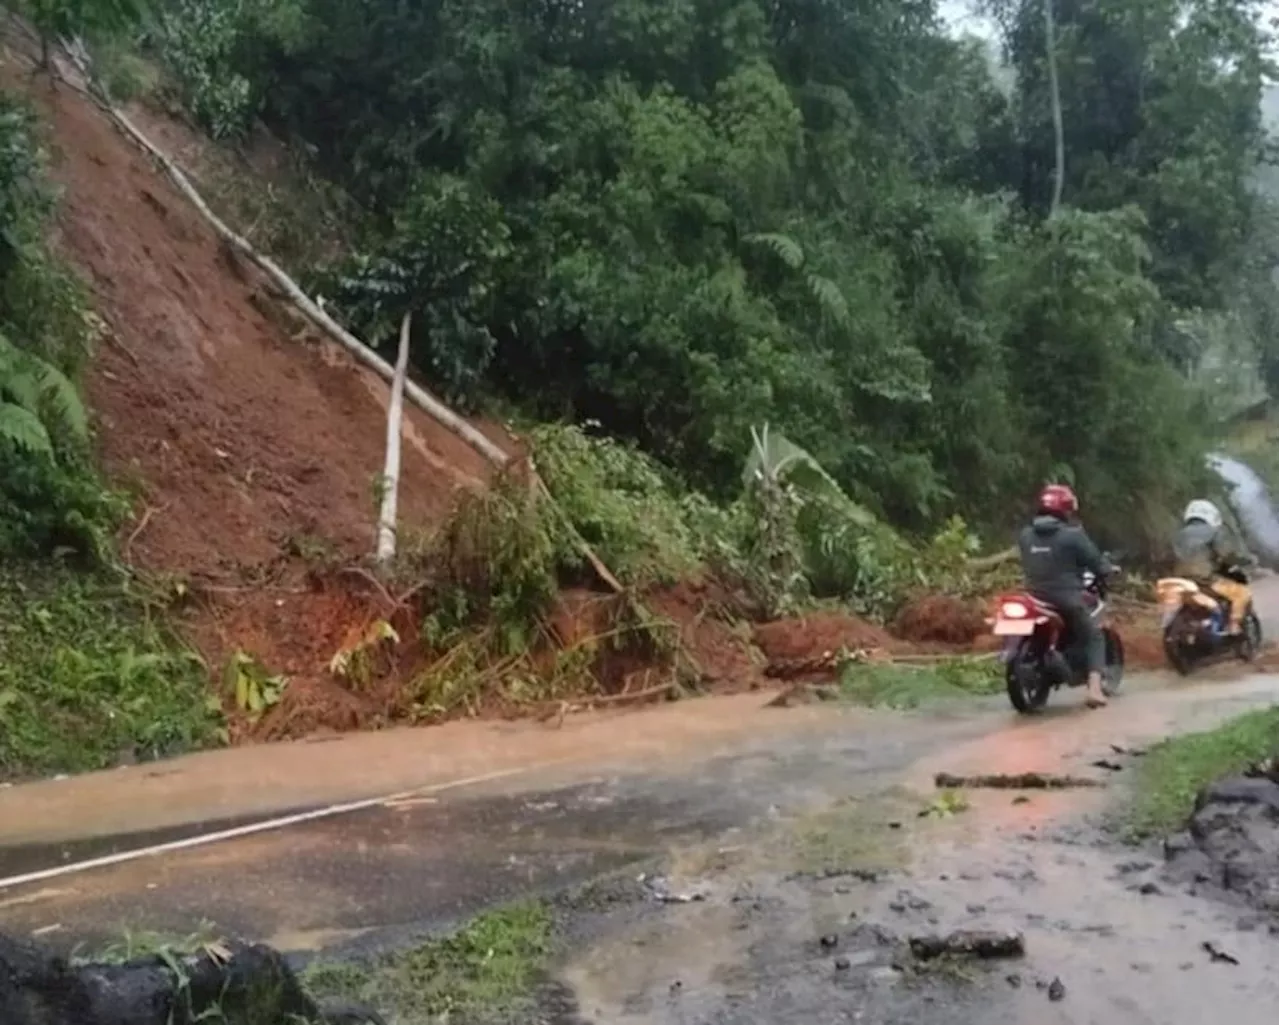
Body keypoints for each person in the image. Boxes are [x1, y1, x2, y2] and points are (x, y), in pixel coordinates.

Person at [1017, 484, 1110, 708]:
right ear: (1065, 510)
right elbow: (1096, 562)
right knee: (1094, 635)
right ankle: (1095, 689)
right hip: (1066, 598)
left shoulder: (1025, 535)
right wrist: (1107, 569)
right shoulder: (1073, 536)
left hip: (1033, 597)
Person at [1171, 499, 1252, 635]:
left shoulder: (1178, 535)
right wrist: (1243, 561)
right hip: (1206, 580)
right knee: (1242, 593)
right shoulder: (1214, 532)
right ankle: (1234, 626)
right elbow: (1226, 555)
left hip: (1180, 582)